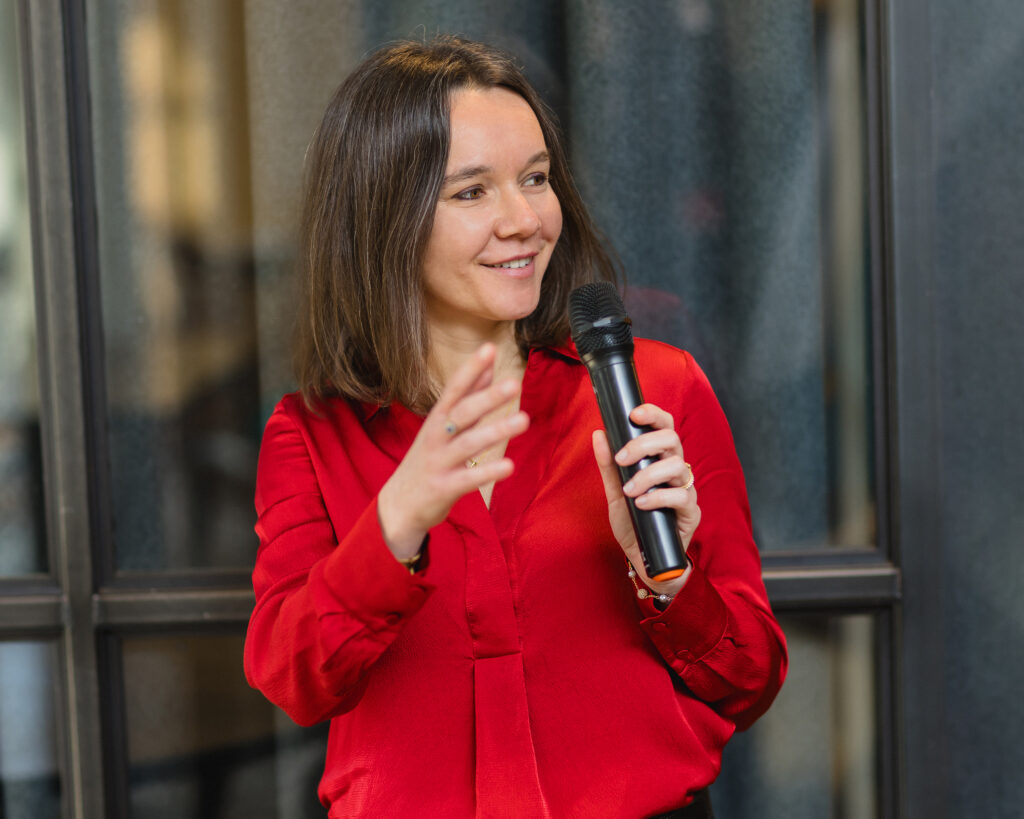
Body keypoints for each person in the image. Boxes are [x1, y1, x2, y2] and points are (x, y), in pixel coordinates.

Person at [244, 36, 787, 819]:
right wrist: (398, 520)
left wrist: (666, 576)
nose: (525, 219)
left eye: (536, 178)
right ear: (384, 217)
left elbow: (751, 678)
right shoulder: (312, 433)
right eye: (471, 192)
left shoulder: (654, 391)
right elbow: (293, 676)